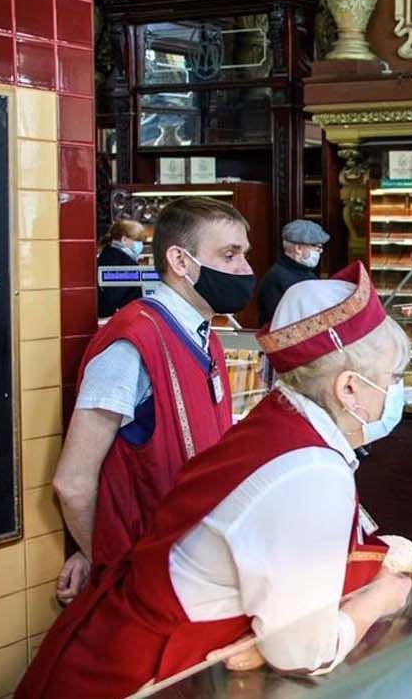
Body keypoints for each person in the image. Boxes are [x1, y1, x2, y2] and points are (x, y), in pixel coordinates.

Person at [18, 262, 412, 698]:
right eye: (392, 377)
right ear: (348, 389)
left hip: (113, 649)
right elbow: (301, 651)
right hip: (145, 678)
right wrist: (383, 597)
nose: (396, 389)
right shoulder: (311, 473)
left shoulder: (279, 423)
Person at [52, 197, 256, 603]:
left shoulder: (206, 336)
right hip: (146, 578)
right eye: (230, 255)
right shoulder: (132, 342)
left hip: (192, 571)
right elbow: (72, 482)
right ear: (181, 261)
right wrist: (102, 560)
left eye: (244, 255)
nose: (246, 270)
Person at [257, 219, 330, 326]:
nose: (320, 251)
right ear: (298, 248)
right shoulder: (276, 278)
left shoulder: (306, 274)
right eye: (317, 246)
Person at [96, 218, 149, 317]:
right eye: (138, 240)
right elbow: (111, 300)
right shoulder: (124, 264)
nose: (140, 245)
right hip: (125, 317)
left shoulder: (108, 253)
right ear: (124, 239)